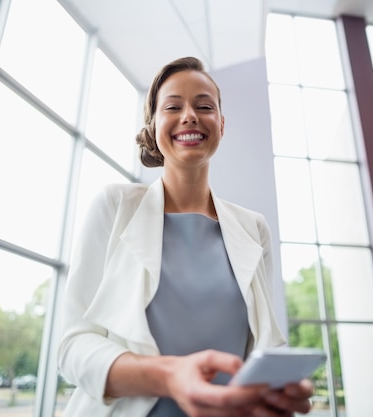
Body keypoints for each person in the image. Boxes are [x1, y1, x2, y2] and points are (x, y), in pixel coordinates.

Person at [58, 56, 314, 417]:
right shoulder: (113, 206)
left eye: (204, 106)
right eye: (173, 106)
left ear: (221, 125)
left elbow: (260, 347)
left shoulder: (254, 229)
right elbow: (73, 348)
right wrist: (169, 376)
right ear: (154, 126)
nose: (190, 115)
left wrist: (275, 390)